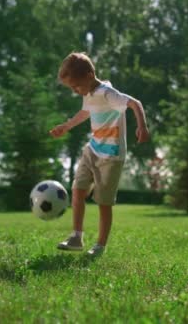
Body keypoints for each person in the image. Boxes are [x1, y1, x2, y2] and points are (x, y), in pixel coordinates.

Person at [49, 52, 150, 257]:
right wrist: (66, 126)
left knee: (103, 201)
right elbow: (85, 112)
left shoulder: (107, 93)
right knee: (78, 189)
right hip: (93, 148)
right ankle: (76, 237)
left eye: (76, 86)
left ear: (88, 75)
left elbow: (135, 103)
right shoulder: (88, 95)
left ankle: (100, 246)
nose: (76, 92)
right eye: (72, 88)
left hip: (111, 155)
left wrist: (142, 126)